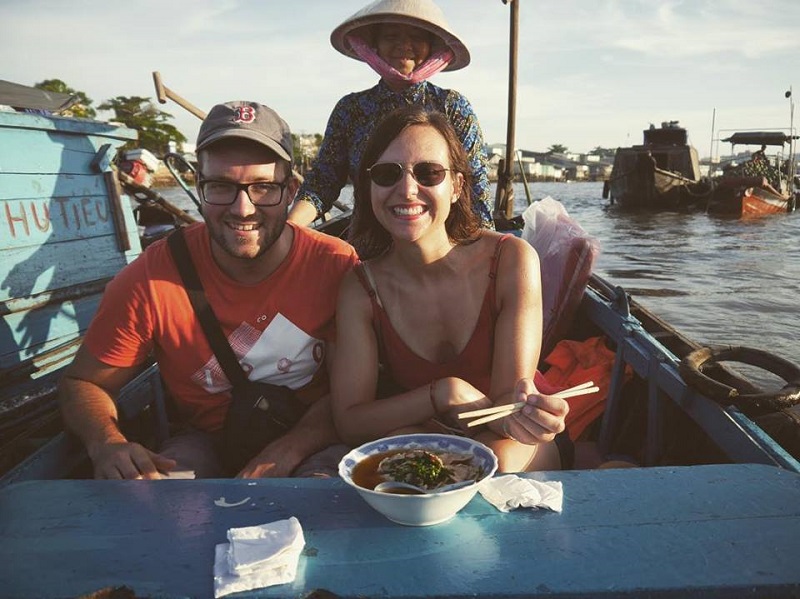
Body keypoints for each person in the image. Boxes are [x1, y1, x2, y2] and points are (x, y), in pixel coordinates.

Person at [58, 101, 358, 480]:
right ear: (199, 187)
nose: (243, 208)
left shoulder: (334, 264)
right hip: (206, 441)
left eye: (263, 188)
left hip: (314, 438)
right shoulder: (150, 279)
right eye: (221, 187)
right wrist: (107, 442)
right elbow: (83, 383)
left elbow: (354, 396)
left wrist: (286, 451)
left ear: (291, 190)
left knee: (325, 495)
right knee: (162, 496)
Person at [331, 106, 569, 473]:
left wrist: (527, 417)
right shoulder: (361, 288)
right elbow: (350, 422)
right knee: (411, 463)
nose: (407, 189)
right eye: (386, 174)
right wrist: (442, 394)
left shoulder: (510, 260)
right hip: (427, 437)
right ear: (369, 188)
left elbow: (510, 399)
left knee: (493, 465)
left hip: (511, 436)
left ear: (457, 186)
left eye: (429, 172)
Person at [288, 0, 493, 229]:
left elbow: (476, 188)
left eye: (416, 37)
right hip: (367, 241)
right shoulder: (350, 108)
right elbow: (322, 181)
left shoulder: (453, 106)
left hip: (441, 243)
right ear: (374, 44)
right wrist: (290, 228)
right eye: (391, 36)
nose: (404, 45)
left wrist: (488, 250)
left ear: (431, 46)